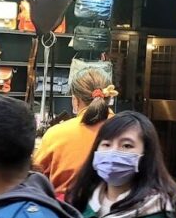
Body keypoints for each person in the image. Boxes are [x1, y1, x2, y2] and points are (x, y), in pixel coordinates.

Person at [36, 68, 117, 197]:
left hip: (67, 212)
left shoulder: (56, 134)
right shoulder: (127, 132)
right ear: (109, 98)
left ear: (75, 100)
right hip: (115, 210)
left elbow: (36, 175)